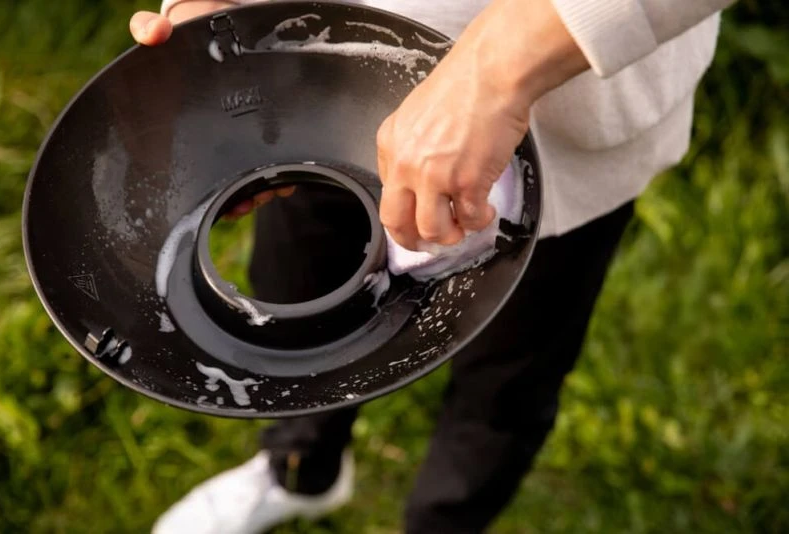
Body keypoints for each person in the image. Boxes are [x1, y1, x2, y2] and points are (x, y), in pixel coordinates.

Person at [129, 0, 736, 532]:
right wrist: (218, 8)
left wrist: (492, 72)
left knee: (504, 384)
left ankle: (445, 524)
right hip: (310, 83)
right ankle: (300, 471)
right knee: (294, 308)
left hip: (563, 125)